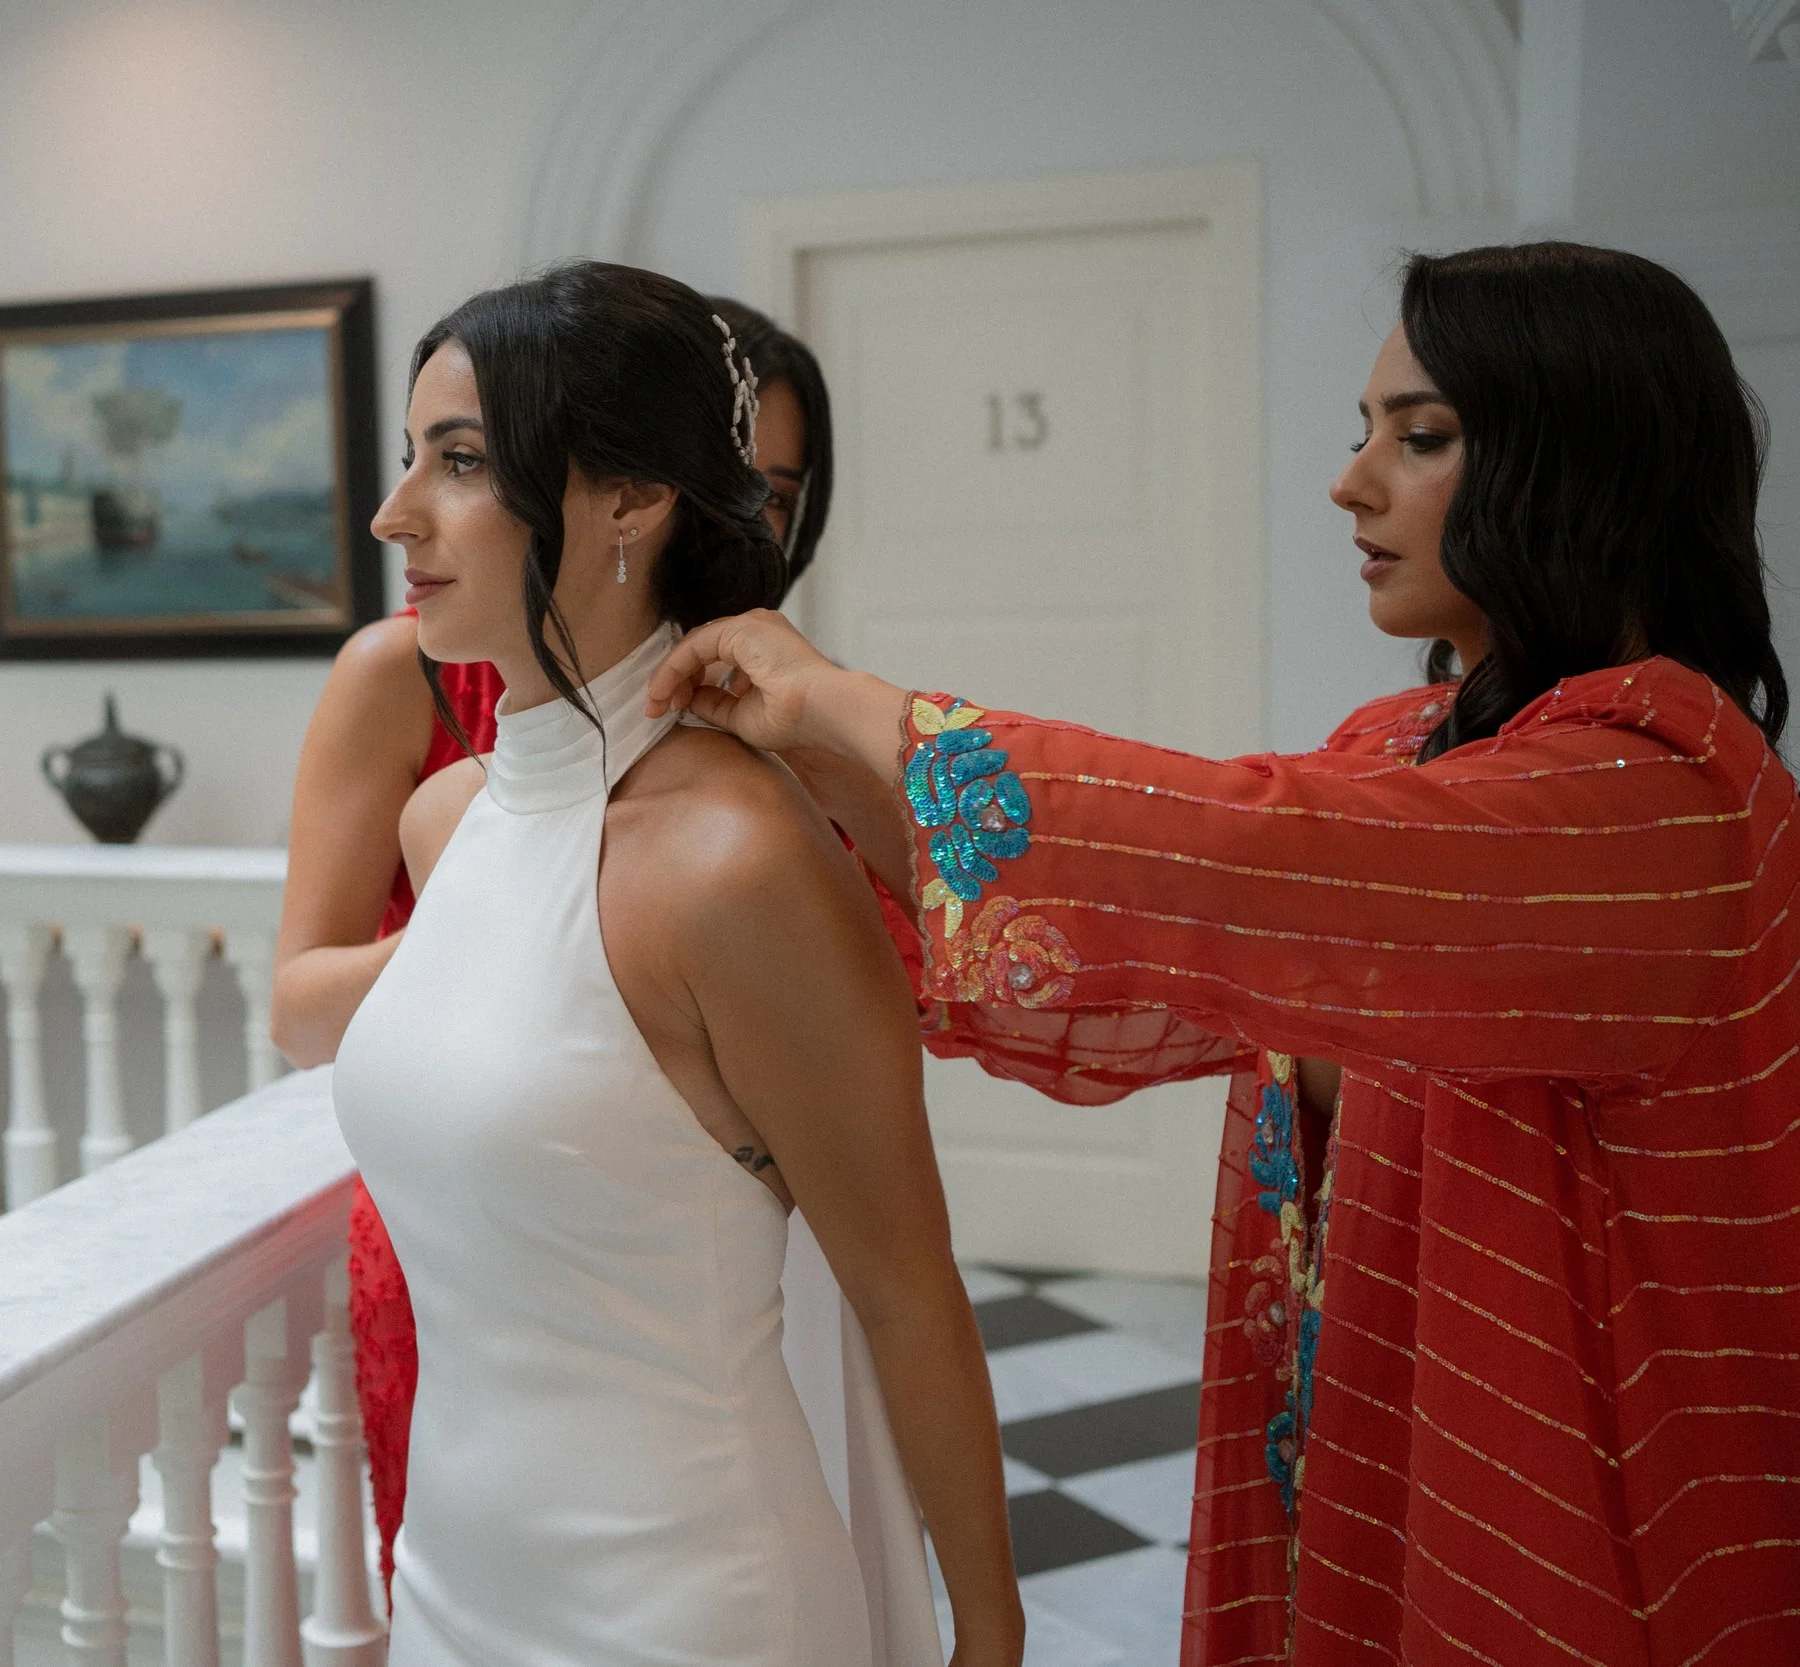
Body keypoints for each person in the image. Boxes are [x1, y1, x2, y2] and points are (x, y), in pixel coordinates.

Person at [648, 241, 1798, 1666]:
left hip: (1562, 1516)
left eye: (1421, 436)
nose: (1353, 480)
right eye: (1362, 430)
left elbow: (1252, 853)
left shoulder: (1657, 804)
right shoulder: (1408, 754)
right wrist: (808, 780)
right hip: (1356, 1455)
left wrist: (849, 703)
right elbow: (1167, 961)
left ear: (1586, 464)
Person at [332, 260, 1021, 1666]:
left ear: (631, 498)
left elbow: (905, 1287)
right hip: (454, 1575)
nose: (394, 513)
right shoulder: (446, 820)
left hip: (691, 1599)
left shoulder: (734, 857)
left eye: (459, 461)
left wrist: (988, 1636)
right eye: (412, 458)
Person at [269, 298, 835, 1588]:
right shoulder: (407, 683)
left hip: (712, 1252)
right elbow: (298, 1009)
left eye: (778, 494)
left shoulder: (761, 725)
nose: (752, 518)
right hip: (472, 1214)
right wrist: (526, 919)